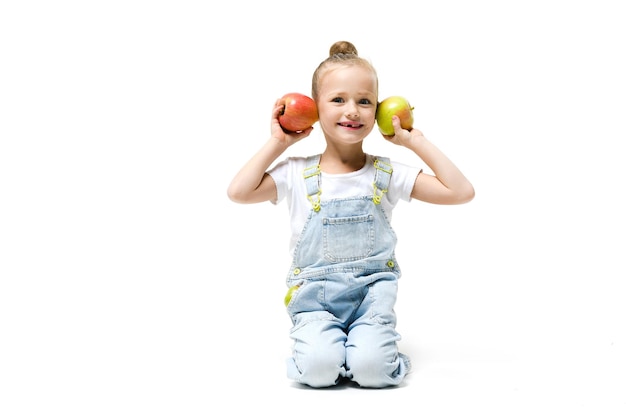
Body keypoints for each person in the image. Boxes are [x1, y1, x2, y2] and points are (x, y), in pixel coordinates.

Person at [227, 40, 474, 388]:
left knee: (373, 372)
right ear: (315, 108)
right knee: (318, 371)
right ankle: (328, 350)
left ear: (377, 110)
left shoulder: (386, 173)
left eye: (365, 101)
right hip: (314, 301)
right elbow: (238, 192)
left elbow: (460, 192)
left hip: (371, 298)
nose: (353, 110)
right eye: (338, 100)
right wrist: (278, 143)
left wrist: (413, 141)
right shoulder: (296, 172)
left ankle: (366, 350)